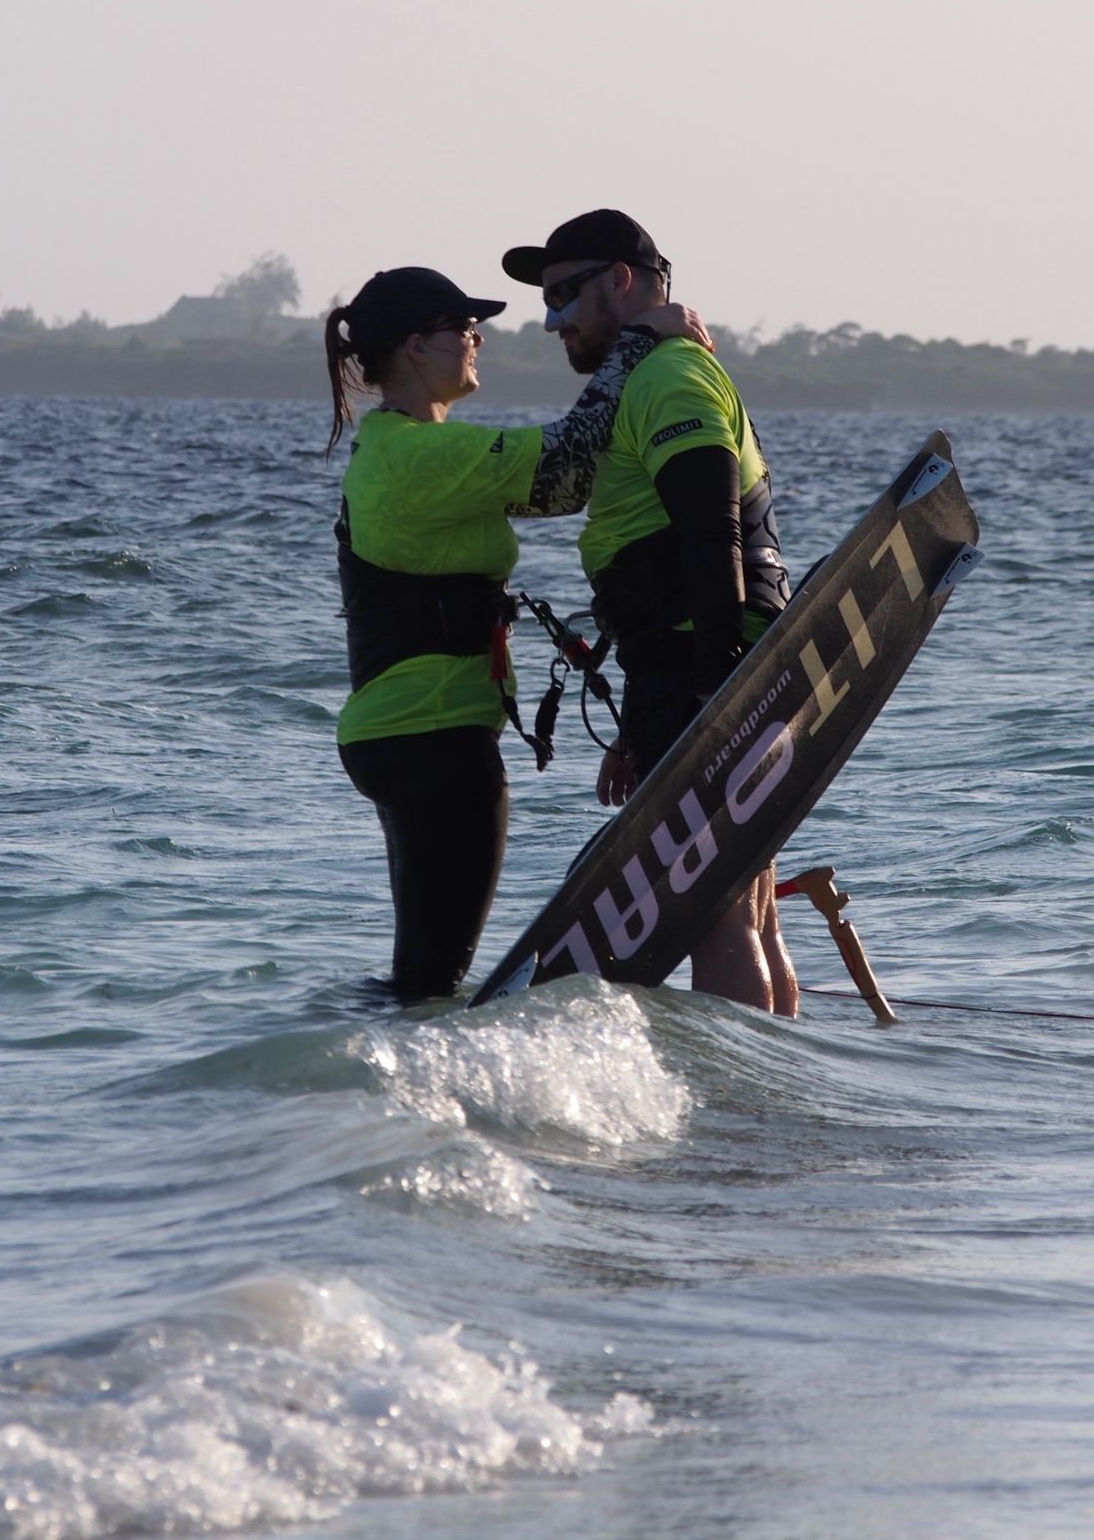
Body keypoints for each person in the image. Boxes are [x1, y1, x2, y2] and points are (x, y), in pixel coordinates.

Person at [325, 263, 708, 1001]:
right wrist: (637, 341)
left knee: (419, 977)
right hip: (435, 739)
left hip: (402, 732)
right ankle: (395, 1068)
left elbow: (565, 484)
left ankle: (368, 1062)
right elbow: (570, 454)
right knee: (430, 986)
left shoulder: (398, 450)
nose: (478, 340)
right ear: (415, 346)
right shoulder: (417, 455)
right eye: (464, 328)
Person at [501, 210, 799, 1015]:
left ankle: (733, 1092)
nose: (552, 321)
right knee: (750, 905)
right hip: (693, 662)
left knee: (714, 913)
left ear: (620, 281)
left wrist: (714, 697)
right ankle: (771, 1086)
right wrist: (638, 728)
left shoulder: (668, 375)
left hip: (705, 665)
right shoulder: (650, 373)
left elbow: (711, 533)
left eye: (562, 296)